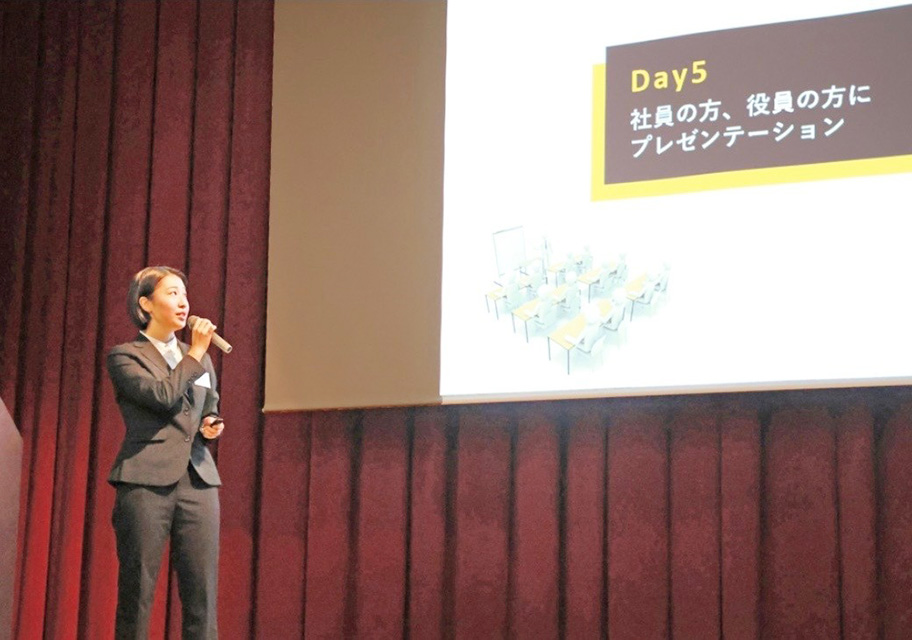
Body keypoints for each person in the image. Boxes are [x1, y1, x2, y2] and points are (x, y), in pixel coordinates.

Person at [106, 266, 224, 639]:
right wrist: (198, 352)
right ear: (146, 304)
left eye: (184, 294)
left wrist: (211, 422)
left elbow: (208, 405)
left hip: (198, 480)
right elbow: (162, 396)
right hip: (145, 480)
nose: (183, 301)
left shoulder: (198, 357)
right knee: (138, 592)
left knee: (202, 594)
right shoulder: (126, 356)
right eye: (172, 293)